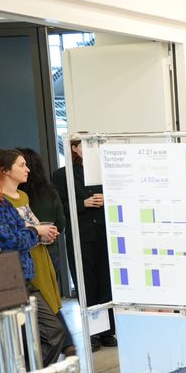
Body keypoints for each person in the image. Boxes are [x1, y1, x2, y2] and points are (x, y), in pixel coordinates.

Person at [0, 153, 70, 368]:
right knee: (18, 343)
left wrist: (29, 232)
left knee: (52, 333)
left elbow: (19, 233)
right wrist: (34, 231)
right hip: (0, 285)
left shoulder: (2, 203)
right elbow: (10, 241)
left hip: (24, 278)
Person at [52, 134, 117, 352]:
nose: (90, 148)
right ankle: (93, 333)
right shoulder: (62, 175)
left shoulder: (104, 171)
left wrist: (108, 199)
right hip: (81, 235)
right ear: (74, 148)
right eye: (85, 144)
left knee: (106, 282)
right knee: (86, 283)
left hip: (105, 233)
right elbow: (60, 207)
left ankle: (108, 331)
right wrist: (83, 203)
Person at [16, 148, 68, 298]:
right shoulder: (50, 193)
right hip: (50, 250)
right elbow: (60, 224)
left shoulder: (17, 196)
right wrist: (49, 232)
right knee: (50, 296)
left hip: (24, 254)